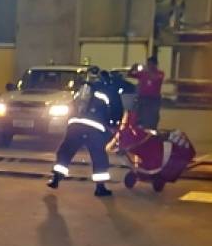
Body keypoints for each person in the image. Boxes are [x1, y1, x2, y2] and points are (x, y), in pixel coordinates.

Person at [47, 68, 123, 197]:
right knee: (99, 157)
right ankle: (100, 188)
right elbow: (116, 110)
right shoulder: (108, 90)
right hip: (94, 128)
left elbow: (72, 106)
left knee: (65, 151)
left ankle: (56, 178)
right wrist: (113, 124)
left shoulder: (81, 90)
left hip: (75, 125)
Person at [128, 56, 164, 130]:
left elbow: (155, 78)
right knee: (139, 114)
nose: (149, 65)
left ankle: (152, 128)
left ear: (155, 64)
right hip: (142, 98)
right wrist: (133, 67)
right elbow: (130, 74)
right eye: (148, 64)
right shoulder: (143, 73)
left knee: (153, 115)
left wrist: (147, 71)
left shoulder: (160, 73)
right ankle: (138, 128)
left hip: (154, 99)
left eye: (150, 64)